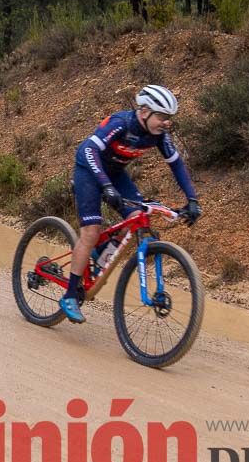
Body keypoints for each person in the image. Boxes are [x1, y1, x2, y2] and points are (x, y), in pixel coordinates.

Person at [59, 85, 202, 324]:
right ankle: (70, 295)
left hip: (115, 173)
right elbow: (89, 151)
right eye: (162, 117)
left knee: (136, 216)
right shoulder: (121, 123)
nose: (166, 123)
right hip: (89, 170)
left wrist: (192, 200)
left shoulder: (159, 136)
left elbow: (176, 165)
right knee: (91, 232)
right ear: (144, 111)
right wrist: (105, 185)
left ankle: (96, 255)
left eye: (169, 118)